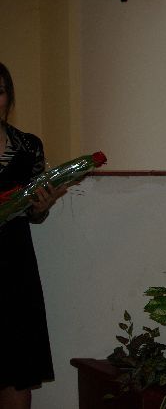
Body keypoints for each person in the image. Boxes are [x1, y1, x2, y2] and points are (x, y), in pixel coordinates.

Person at [0, 62, 68, 408]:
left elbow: (34, 214)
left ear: (9, 97)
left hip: (14, 267)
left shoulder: (28, 146)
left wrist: (43, 205)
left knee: (17, 371)